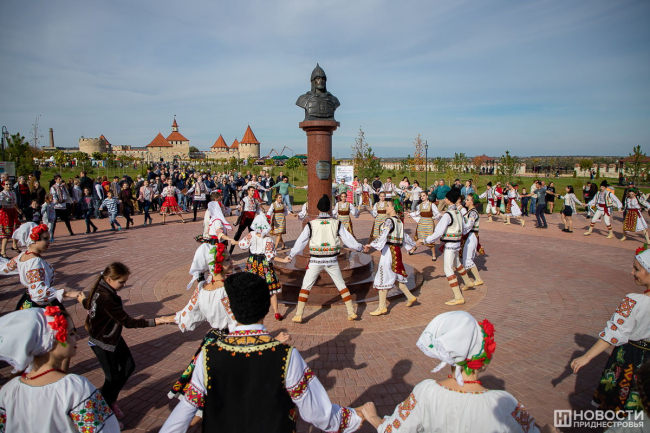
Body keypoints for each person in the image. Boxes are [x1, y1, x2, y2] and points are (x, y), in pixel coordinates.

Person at [161, 272, 363, 433]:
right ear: (266, 308)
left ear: (231, 308)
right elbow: (317, 413)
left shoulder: (209, 355)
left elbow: (185, 410)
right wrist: (354, 417)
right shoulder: (286, 355)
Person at [361, 311, 551, 433]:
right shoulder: (505, 404)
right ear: (484, 356)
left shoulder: (426, 393)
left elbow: (394, 430)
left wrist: (373, 417)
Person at [78, 262, 173, 421]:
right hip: (102, 341)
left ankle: (110, 400)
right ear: (109, 279)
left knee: (128, 366)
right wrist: (160, 321)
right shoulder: (107, 297)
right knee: (111, 377)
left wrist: (83, 301)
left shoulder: (103, 288)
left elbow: (93, 306)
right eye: (121, 282)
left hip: (112, 337)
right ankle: (103, 411)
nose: (124, 285)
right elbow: (128, 322)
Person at [0, 308, 121, 432]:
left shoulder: (8, 391)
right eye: (71, 333)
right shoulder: (74, 387)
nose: (77, 337)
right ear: (50, 341)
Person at [570, 246, 650, 413]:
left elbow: (614, 333)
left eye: (637, 269)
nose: (631, 272)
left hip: (632, 358)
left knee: (622, 407)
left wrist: (586, 357)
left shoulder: (634, 302)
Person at [167, 236, 238, 412]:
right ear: (217, 264)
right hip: (229, 341)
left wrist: (162, 320)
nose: (232, 262)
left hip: (212, 340)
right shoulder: (228, 290)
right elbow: (236, 322)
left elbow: (188, 315)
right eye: (227, 260)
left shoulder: (202, 289)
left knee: (204, 386)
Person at [276, 194, 369, 322]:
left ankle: (299, 314)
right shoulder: (336, 223)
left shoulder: (311, 224)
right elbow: (348, 239)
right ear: (329, 209)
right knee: (341, 284)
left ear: (318, 209)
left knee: (306, 286)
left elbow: (301, 242)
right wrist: (361, 248)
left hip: (315, 260)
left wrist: (291, 255)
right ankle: (351, 312)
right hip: (332, 260)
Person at [0, 223, 80, 310]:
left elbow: (5, 268)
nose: (49, 242)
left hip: (27, 299)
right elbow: (38, 293)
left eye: (49, 238)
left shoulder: (23, 255)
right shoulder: (35, 262)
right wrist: (68, 294)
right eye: (45, 239)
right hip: (38, 305)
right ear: (33, 240)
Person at [420, 189, 473, 305]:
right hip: (457, 242)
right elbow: (464, 227)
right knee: (457, 264)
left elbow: (439, 232)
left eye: (445, 197)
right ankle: (468, 282)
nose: (444, 199)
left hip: (450, 244)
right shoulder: (458, 212)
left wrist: (425, 240)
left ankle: (458, 296)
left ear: (448, 199)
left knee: (448, 269)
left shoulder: (448, 214)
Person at [365, 203, 418, 316]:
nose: (386, 208)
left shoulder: (389, 221)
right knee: (396, 276)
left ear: (393, 208)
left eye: (388, 206)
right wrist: (412, 245)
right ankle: (410, 297)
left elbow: (384, 234)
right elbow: (404, 237)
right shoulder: (399, 221)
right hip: (396, 251)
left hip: (389, 251)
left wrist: (372, 244)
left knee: (383, 277)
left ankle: (382, 307)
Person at [238, 214, 284, 320]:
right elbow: (270, 256)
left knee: (252, 285)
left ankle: (252, 309)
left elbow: (242, 245)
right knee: (271, 288)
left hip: (252, 261)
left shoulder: (251, 235)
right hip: (264, 262)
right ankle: (276, 312)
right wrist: (283, 260)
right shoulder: (268, 239)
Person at [460, 193, 485, 289]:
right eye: (466, 200)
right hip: (468, 236)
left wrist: (460, 228)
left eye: (467, 200)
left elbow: (469, 225)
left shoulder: (473, 212)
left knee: (468, 258)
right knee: (465, 257)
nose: (465, 201)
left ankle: (478, 279)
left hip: (472, 235)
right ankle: (467, 278)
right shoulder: (469, 211)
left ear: (472, 201)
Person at [408, 190, 441, 261]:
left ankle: (433, 254)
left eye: (424, 195)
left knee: (430, 238)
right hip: (421, 223)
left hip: (429, 223)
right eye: (421, 196)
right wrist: (410, 214)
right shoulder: (419, 205)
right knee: (418, 236)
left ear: (427, 196)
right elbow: (417, 213)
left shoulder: (432, 205)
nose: (422, 197)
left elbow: (437, 213)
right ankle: (414, 247)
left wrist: (437, 216)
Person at [230, 186, 263, 254]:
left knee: (252, 235)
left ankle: (251, 251)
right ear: (248, 191)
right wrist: (239, 210)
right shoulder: (244, 200)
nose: (253, 192)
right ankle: (231, 250)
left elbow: (258, 209)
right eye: (252, 190)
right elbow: (239, 208)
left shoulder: (255, 200)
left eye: (254, 191)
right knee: (238, 233)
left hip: (252, 219)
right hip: (245, 219)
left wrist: (262, 216)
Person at [0, 180, 22, 258]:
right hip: (5, 213)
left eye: (9, 184)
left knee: (16, 229)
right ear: (3, 185)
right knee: (6, 233)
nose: (8, 186)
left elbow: (15, 203)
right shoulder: (2, 194)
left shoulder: (13, 193)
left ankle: (14, 245)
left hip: (12, 212)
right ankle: (3, 251)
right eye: (7, 184)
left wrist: (18, 210)